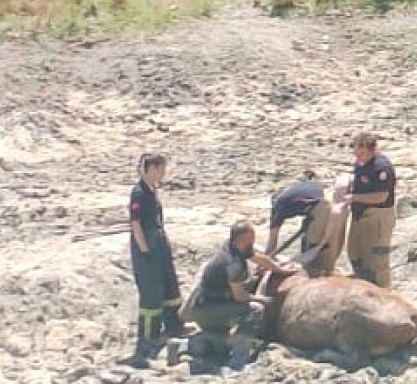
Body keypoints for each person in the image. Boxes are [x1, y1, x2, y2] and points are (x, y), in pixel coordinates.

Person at [180, 220, 294, 371]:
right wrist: (263, 299)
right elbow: (240, 296)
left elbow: (258, 258)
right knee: (255, 309)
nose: (253, 242)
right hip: (208, 309)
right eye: (251, 239)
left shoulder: (233, 246)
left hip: (206, 303)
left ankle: (193, 343)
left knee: (218, 340)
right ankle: (238, 359)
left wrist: (279, 269)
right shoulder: (233, 263)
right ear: (242, 240)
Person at [126, 153, 183, 369]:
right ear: (151, 169)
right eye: (161, 169)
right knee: (152, 293)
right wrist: (145, 251)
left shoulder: (152, 190)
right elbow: (136, 224)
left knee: (169, 285)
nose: (163, 174)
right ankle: (148, 337)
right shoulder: (138, 193)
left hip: (159, 244)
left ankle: (172, 326)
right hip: (147, 248)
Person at [342, 132, 397, 289]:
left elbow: (381, 196)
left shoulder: (381, 168)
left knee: (376, 259)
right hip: (360, 214)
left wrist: (355, 198)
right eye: (356, 153)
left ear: (372, 151)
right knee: (355, 252)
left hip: (377, 216)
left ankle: (384, 291)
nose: (358, 157)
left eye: (362, 154)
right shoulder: (360, 163)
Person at [263, 170, 338, 276]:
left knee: (313, 245)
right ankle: (325, 268)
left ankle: (316, 273)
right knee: (313, 243)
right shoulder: (302, 187)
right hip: (330, 207)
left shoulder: (278, 206)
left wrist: (266, 261)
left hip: (321, 210)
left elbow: (272, 241)